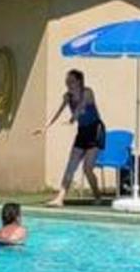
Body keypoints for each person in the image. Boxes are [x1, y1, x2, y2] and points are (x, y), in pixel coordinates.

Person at [36, 69, 105, 207]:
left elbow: (82, 105)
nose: (68, 83)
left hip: (95, 131)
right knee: (71, 165)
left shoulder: (88, 92)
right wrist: (45, 127)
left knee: (87, 168)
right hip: (82, 132)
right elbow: (58, 112)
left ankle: (97, 195)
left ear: (79, 81)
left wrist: (73, 118)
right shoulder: (67, 97)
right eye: (67, 81)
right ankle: (60, 198)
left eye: (71, 80)